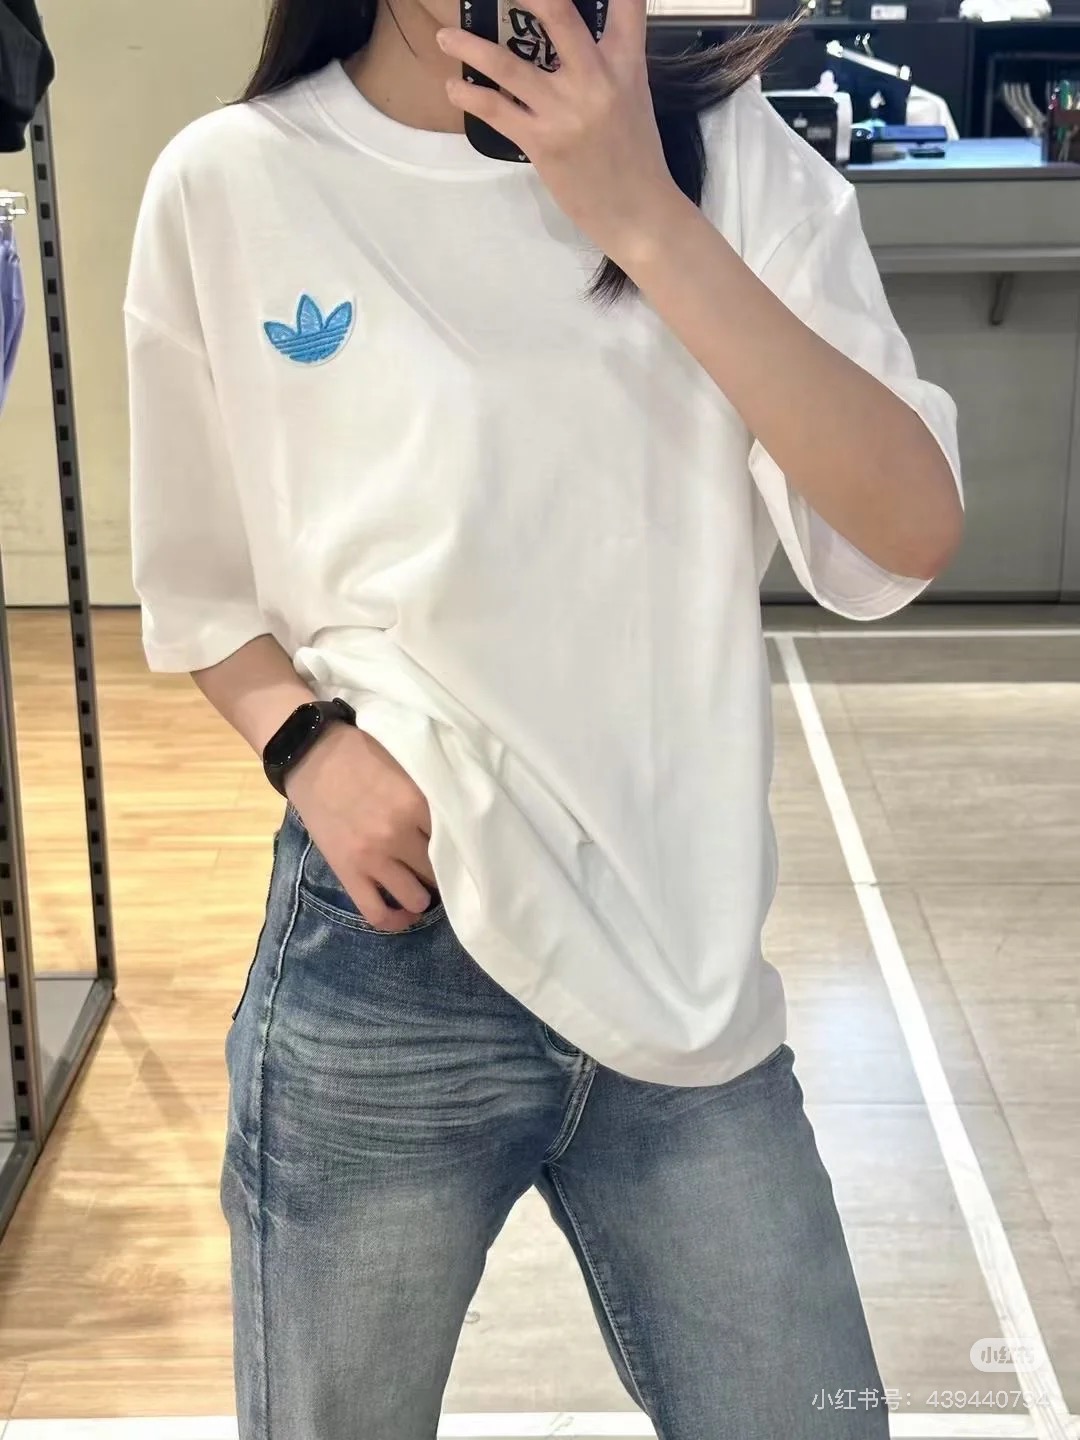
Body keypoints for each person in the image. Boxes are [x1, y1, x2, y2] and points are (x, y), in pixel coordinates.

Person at [124, 0, 963, 1433]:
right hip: (387, 957)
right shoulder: (234, 177)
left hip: (683, 963)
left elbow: (905, 529)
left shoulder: (721, 148)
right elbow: (197, 581)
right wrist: (304, 746)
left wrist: (641, 210)